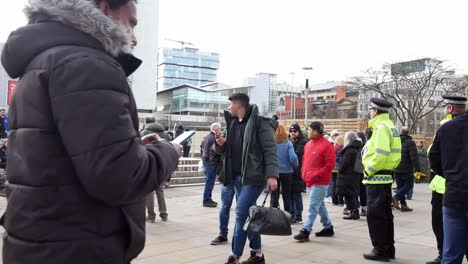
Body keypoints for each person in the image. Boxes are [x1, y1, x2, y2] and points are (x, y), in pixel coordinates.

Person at [0, 0, 181, 263]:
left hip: (40, 239)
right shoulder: (88, 65)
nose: (135, 37)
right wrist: (168, 151)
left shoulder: (44, 61)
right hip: (77, 245)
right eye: (130, 22)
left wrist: (129, 147)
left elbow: (58, 155)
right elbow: (120, 177)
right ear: (106, 10)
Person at [214, 93, 278, 264]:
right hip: (235, 177)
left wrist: (272, 175)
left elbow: (270, 149)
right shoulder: (233, 122)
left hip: (253, 177)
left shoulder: (259, 122)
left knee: (241, 213)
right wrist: (219, 145)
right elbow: (223, 150)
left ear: (238, 105)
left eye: (230, 105)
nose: (228, 108)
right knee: (250, 216)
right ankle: (257, 255)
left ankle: (234, 256)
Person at [427, 95, 467, 264]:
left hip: (453, 194)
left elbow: (434, 157)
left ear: (450, 108)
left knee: (450, 254)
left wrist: (452, 176)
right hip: (451, 192)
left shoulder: (447, 127)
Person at [362, 98, 401, 262]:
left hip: (376, 177)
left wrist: (367, 171)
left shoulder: (380, 128)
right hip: (385, 176)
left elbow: (380, 154)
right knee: (385, 215)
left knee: (375, 215)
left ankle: (380, 250)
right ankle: (388, 248)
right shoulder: (390, 126)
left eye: (370, 110)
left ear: (375, 111)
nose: (369, 113)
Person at [293, 122, 335, 242]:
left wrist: (316, 174)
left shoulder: (327, 145)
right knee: (319, 205)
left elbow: (330, 164)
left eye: (310, 130)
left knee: (312, 206)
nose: (308, 132)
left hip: (320, 181)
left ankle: (306, 230)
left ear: (316, 131)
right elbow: (305, 160)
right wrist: (303, 172)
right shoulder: (308, 144)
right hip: (309, 180)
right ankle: (328, 227)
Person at [141, 117, 170, 223]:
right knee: (159, 190)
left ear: (145, 122)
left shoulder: (144, 132)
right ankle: (164, 214)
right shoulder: (165, 133)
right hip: (162, 164)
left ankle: (151, 215)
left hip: (149, 165)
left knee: (149, 191)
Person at [392, 126, 422, 212]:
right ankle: (396, 197)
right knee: (409, 185)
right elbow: (414, 157)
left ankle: (403, 205)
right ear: (408, 133)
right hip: (407, 169)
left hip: (396, 168)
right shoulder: (410, 142)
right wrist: (418, 169)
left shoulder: (395, 141)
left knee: (400, 186)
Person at [270, 124, 298, 214]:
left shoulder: (271, 144)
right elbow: (293, 157)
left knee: (274, 196)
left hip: (274, 172)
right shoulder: (288, 143)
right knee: (287, 196)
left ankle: (274, 217)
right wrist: (294, 165)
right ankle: (287, 216)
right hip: (287, 172)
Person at [336, 131, 362, 220]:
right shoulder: (357, 148)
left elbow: (344, 163)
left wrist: (339, 170)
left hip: (347, 176)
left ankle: (353, 212)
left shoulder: (349, 149)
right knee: (353, 194)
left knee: (348, 195)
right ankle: (355, 211)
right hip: (355, 174)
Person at [289, 123, 308, 224]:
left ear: (298, 131)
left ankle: (298, 215)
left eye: (294, 131)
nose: (292, 133)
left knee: (296, 194)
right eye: (291, 131)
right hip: (291, 171)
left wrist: (289, 148)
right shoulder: (290, 140)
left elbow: (298, 154)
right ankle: (292, 214)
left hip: (298, 170)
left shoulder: (302, 141)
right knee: (291, 194)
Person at [201, 122, 222, 207]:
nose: (221, 130)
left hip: (206, 160)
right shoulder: (213, 138)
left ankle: (208, 199)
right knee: (210, 180)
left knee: (209, 180)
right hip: (209, 161)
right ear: (216, 129)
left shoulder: (208, 137)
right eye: (220, 129)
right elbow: (214, 151)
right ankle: (206, 200)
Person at [331, 135, 345, 206]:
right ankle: (340, 201)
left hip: (333, 169)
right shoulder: (342, 149)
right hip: (339, 169)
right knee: (340, 185)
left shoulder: (333, 148)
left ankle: (334, 200)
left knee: (334, 185)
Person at [356, 131, 368, 216]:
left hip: (357, 170)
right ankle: (364, 208)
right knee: (363, 190)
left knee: (358, 190)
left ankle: (358, 208)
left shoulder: (357, 146)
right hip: (364, 169)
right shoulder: (366, 145)